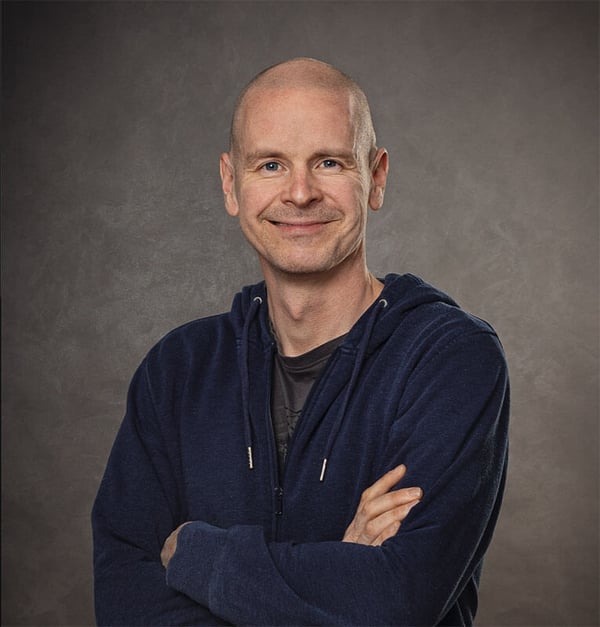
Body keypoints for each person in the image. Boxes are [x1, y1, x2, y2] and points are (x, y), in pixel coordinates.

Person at [92, 57, 509, 626]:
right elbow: (125, 604)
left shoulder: (448, 360)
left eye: (329, 161)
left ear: (376, 176)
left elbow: (397, 602)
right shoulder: (177, 371)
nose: (300, 192)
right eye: (269, 164)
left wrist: (198, 554)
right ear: (230, 183)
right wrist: (340, 569)